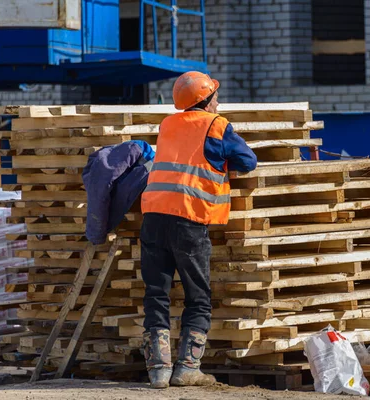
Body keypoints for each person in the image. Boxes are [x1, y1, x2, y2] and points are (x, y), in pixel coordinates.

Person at [140, 71, 257, 389]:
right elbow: (248, 161)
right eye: (215, 95)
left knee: (156, 295)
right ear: (205, 100)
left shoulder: (167, 125)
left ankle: (158, 371)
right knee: (198, 298)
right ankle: (188, 368)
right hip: (189, 221)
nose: (218, 100)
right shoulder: (217, 125)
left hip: (152, 218)